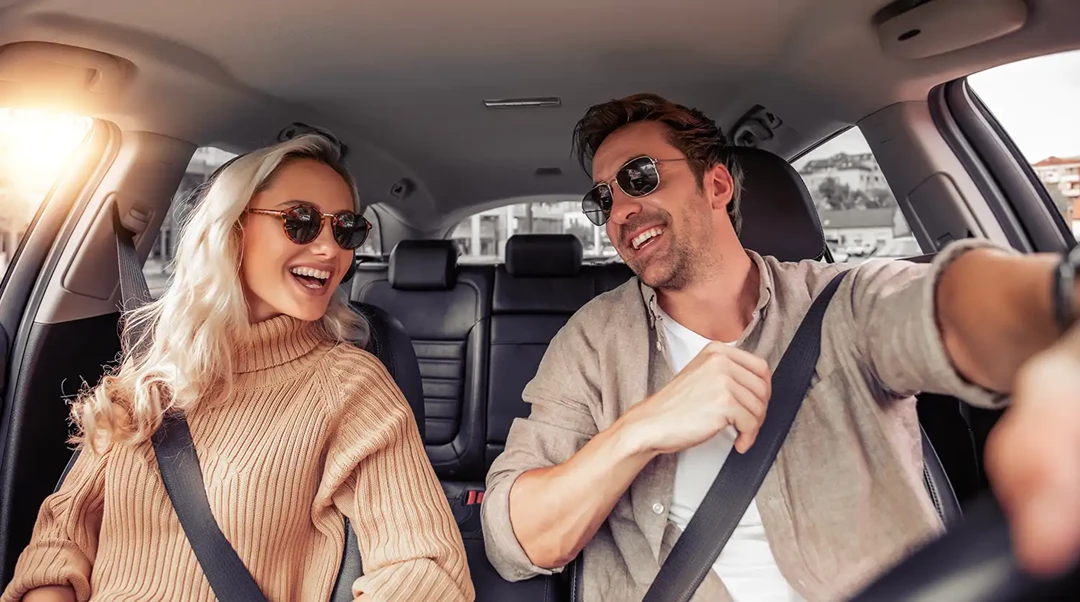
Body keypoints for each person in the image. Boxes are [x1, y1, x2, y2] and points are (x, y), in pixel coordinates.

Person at [482, 93, 1080, 601]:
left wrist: (1060, 295)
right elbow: (516, 540)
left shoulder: (843, 302)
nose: (620, 210)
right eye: (603, 201)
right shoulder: (592, 342)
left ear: (716, 184)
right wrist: (642, 428)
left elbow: (949, 307)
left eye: (639, 177)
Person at [3, 131, 473, 602]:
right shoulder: (152, 370)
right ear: (232, 229)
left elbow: (425, 565)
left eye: (346, 228)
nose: (331, 249)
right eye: (301, 221)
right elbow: (61, 536)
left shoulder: (350, 385)